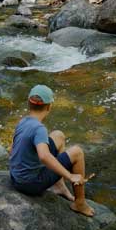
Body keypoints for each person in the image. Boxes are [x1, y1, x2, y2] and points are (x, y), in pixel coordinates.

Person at [9, 83, 94, 218]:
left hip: (16, 178)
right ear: (49, 107)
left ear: (28, 103)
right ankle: (80, 203)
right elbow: (43, 156)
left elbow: (12, 149)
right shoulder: (39, 129)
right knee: (77, 152)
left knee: (58, 135)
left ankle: (59, 186)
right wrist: (70, 176)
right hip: (30, 184)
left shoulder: (23, 121)